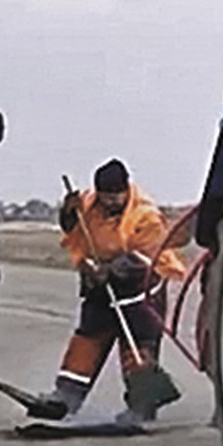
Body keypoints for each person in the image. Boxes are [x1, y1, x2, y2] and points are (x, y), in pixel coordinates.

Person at [40, 159, 185, 424]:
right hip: (100, 286)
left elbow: (147, 255)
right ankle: (65, 398)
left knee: (138, 347)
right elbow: (73, 230)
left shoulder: (145, 215)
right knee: (88, 338)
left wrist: (114, 269)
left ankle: (142, 405)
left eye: (115, 196)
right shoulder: (87, 204)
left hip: (141, 288)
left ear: (125, 189)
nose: (109, 202)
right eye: (104, 196)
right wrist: (68, 213)